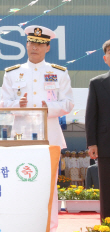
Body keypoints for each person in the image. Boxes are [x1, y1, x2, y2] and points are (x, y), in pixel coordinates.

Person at [0, 25, 74, 232]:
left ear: (48, 48)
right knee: (20, 177)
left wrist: (47, 107)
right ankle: (20, 223)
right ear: (26, 45)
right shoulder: (12, 73)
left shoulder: (58, 72)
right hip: (20, 135)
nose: (35, 48)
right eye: (32, 43)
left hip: (50, 135)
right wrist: (17, 105)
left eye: (40, 44)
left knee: (49, 181)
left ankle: (49, 225)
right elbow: (4, 103)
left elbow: (68, 103)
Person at [85, 39, 110, 221]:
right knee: (107, 188)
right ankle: (107, 224)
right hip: (105, 145)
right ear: (105, 58)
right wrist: (92, 143)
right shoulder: (97, 83)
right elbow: (91, 116)